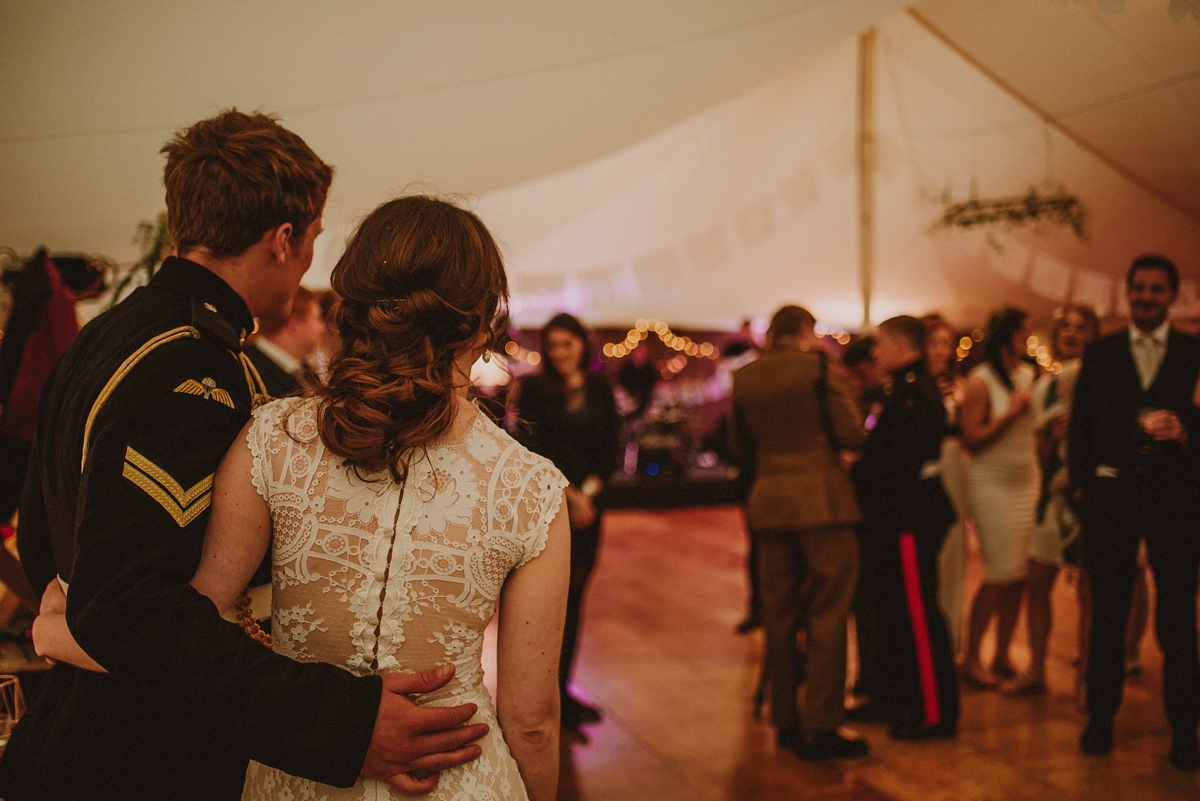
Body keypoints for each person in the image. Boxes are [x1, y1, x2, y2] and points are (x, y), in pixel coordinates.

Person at [2, 111, 489, 800]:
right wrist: (342, 722)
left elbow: (48, 543)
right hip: (137, 754)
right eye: (314, 237)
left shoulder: (103, 337)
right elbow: (131, 607)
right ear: (284, 237)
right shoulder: (190, 368)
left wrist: (60, 625)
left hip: (83, 724)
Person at [1069, 255, 1200, 770]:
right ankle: (1100, 720)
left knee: (1178, 621)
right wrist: (1083, 491)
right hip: (1112, 499)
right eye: (1139, 288)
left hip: (1175, 502)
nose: (1146, 296)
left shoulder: (1194, 353)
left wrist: (1188, 432)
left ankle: (1185, 731)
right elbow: (1079, 429)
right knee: (1108, 615)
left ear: (1172, 296)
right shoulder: (1101, 353)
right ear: (1127, 293)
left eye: (1156, 289)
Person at [729, 305, 868, 760]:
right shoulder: (819, 365)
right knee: (829, 612)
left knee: (780, 614)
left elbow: (739, 446)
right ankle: (822, 724)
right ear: (806, 331)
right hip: (823, 503)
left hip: (770, 504)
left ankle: (784, 719)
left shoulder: (746, 377)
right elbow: (850, 434)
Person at [851, 315, 959, 739]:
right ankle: (894, 697)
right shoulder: (901, 389)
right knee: (895, 612)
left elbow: (900, 464)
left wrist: (857, 468)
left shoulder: (914, 393)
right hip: (896, 517)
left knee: (918, 614)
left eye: (880, 343)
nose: (874, 351)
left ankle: (935, 712)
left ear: (901, 345)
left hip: (911, 516)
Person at [514, 312, 620, 732]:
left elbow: (612, 447)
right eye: (553, 345)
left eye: (567, 344)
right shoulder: (534, 389)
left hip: (590, 509)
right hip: (550, 506)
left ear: (582, 344)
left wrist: (588, 495)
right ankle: (537, 695)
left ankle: (563, 691)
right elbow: (531, 448)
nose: (559, 352)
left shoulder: (599, 387)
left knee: (576, 601)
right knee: (547, 604)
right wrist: (568, 494)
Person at [1001, 305, 1098, 697]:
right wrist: (1053, 439)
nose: (1071, 334)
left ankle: (1088, 677)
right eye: (1066, 328)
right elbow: (1035, 453)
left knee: (1089, 590)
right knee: (1037, 582)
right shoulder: (1042, 387)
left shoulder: (1102, 381)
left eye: (1081, 328)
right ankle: (1037, 670)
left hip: (1088, 497)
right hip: (1047, 498)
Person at [959, 306, 1039, 689]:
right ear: (1007, 336)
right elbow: (971, 439)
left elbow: (1032, 432)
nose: (1027, 340)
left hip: (1027, 481)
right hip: (992, 484)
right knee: (998, 573)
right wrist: (1010, 413)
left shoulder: (1027, 374)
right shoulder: (979, 380)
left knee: (1019, 576)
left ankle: (1003, 652)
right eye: (1022, 333)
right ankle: (972, 657)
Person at [921, 314, 968, 657]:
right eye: (934, 343)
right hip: (929, 470)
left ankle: (950, 640)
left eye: (945, 344)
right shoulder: (916, 387)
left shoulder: (961, 386)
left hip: (957, 470)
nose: (941, 351)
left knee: (954, 552)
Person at [243, 285, 326, 398]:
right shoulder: (249, 370)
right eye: (318, 319)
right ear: (295, 324)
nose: (323, 328)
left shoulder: (306, 372)